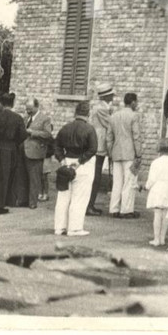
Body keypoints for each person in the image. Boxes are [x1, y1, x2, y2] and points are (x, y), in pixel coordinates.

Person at [53, 101, 99, 237]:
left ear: (75, 113)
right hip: (83, 165)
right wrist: (80, 161)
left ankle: (59, 227)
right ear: (88, 114)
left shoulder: (65, 128)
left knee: (63, 196)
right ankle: (74, 228)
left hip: (66, 162)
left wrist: (61, 159)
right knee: (80, 197)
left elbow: (56, 145)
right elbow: (93, 149)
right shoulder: (89, 129)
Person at [107, 92, 142, 219]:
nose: (137, 104)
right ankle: (126, 210)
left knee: (117, 182)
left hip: (116, 152)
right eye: (136, 102)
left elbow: (109, 137)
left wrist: (110, 152)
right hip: (130, 153)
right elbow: (136, 136)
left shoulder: (114, 116)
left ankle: (114, 208)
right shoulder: (134, 116)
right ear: (132, 102)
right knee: (129, 182)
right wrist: (139, 153)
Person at [87, 85, 115, 216]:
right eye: (111, 95)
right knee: (95, 176)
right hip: (99, 144)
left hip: (98, 143)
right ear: (106, 96)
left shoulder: (100, 107)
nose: (113, 96)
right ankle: (89, 205)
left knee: (95, 175)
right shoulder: (102, 108)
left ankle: (90, 205)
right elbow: (111, 124)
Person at [144, 138, 168, 247]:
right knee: (166, 214)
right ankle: (162, 238)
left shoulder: (156, 162)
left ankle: (156, 238)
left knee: (157, 214)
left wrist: (147, 186)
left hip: (158, 188)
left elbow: (152, 178)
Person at [23, 98, 54, 208]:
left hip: (36, 152)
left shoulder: (45, 119)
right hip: (24, 151)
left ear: (37, 107)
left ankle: (32, 202)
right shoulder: (25, 118)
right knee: (24, 177)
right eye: (27, 109)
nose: (28, 111)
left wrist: (33, 132)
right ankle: (24, 200)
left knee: (34, 178)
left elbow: (48, 134)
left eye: (30, 109)